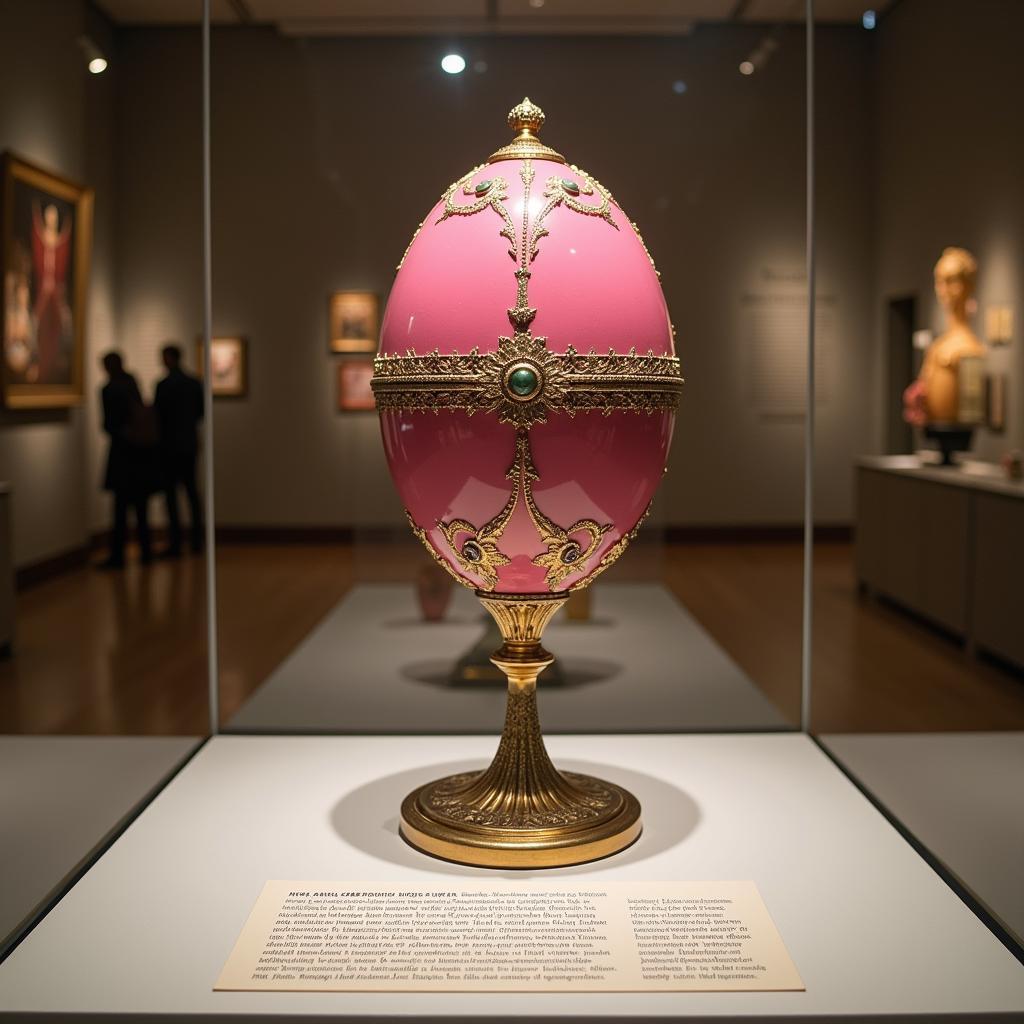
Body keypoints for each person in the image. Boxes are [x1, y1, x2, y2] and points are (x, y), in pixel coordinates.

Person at [100, 351, 152, 568]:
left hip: (123, 455)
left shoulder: (110, 389)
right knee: (140, 507)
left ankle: (118, 555)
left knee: (121, 509)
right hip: (139, 454)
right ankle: (145, 550)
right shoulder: (132, 384)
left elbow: (108, 425)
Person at [154, 343, 204, 556]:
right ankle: (196, 540)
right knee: (191, 492)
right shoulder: (193, 383)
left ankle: (176, 542)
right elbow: (201, 413)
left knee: (173, 495)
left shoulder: (164, 385)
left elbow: (158, 415)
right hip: (188, 443)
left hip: (169, 445)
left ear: (170, 358)